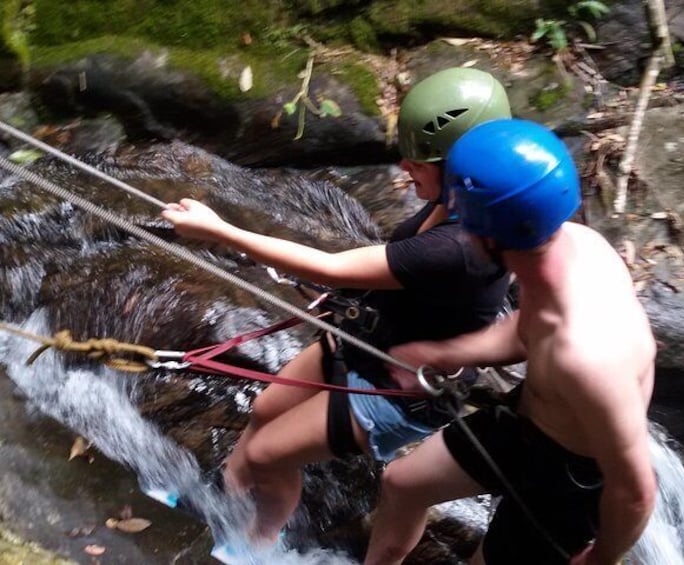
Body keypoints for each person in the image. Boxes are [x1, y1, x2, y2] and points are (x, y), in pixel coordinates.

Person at [160, 67, 512, 545]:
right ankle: (220, 495)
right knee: (266, 409)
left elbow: (330, 266)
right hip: (368, 338)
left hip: (399, 387)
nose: (404, 169)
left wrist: (220, 230)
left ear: (459, 169)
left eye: (418, 163)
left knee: (267, 453)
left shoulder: (458, 246)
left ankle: (257, 544)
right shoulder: (461, 202)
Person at [364, 119, 657, 565]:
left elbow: (634, 490)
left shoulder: (587, 358)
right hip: (528, 422)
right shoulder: (575, 243)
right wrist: (445, 354)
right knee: (401, 484)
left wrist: (602, 557)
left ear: (487, 233)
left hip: (571, 478)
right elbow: (529, 326)